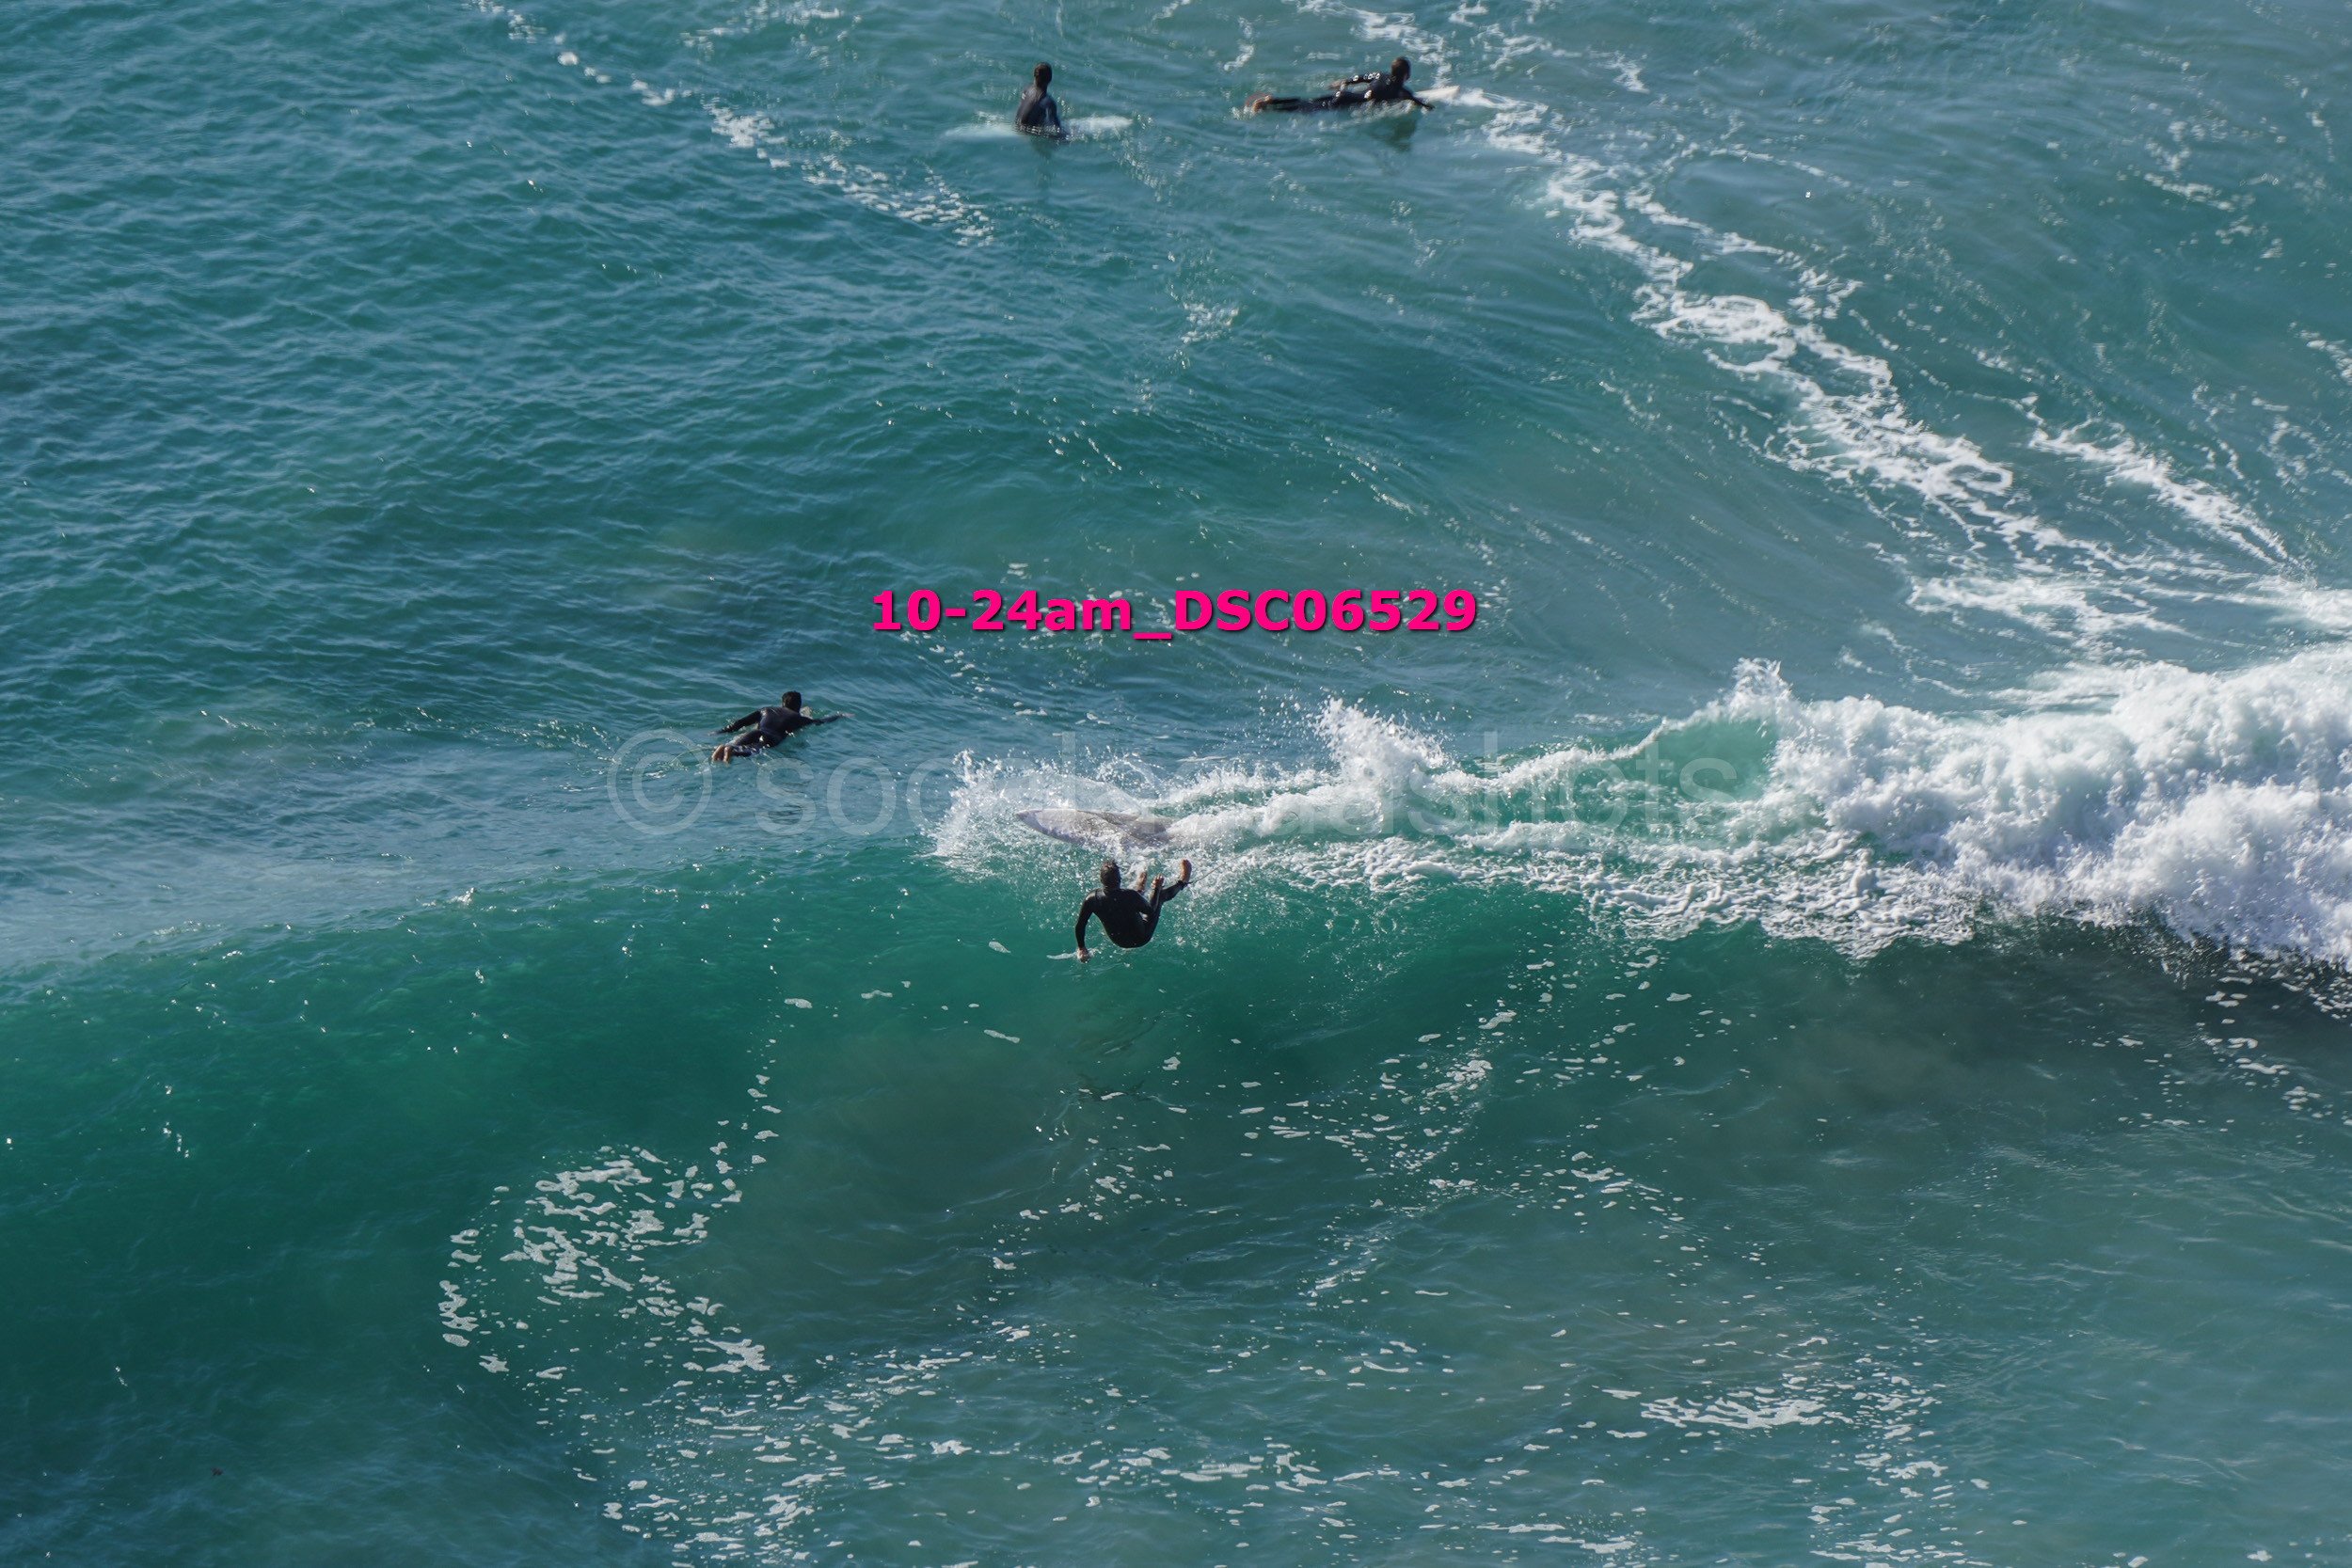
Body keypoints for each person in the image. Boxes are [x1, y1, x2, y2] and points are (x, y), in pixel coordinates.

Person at [1074, 858, 1192, 962]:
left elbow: (1080, 925)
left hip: (1119, 941)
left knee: (1132, 898)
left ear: (1101, 880)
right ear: (1119, 880)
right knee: (1159, 897)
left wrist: (1082, 948)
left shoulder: (1091, 898)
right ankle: (1183, 882)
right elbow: (1150, 911)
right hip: (1141, 938)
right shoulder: (1130, 895)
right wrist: (1156, 889)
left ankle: (1141, 883)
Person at [1248, 55, 1429, 114]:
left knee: (1308, 101)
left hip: (1343, 94)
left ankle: (1274, 100)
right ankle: (1268, 106)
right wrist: (1429, 106)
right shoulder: (1402, 91)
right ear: (1406, 75)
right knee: (1307, 109)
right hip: (1345, 103)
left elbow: (1362, 77)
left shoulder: (1381, 75)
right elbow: (1418, 102)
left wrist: (1343, 82)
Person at [710, 690, 848, 763]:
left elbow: (739, 724)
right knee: (753, 751)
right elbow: (822, 721)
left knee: (737, 744)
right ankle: (732, 752)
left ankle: (727, 747)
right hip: (771, 738)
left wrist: (719, 732)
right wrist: (840, 715)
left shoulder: (767, 710)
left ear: (782, 703)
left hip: (756, 732)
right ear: (798, 706)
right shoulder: (799, 718)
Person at [1015, 62, 1064, 136]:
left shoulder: (1027, 90)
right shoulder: (1048, 101)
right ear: (1050, 79)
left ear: (1034, 75)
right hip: (1028, 131)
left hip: (1017, 125)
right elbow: (1057, 128)